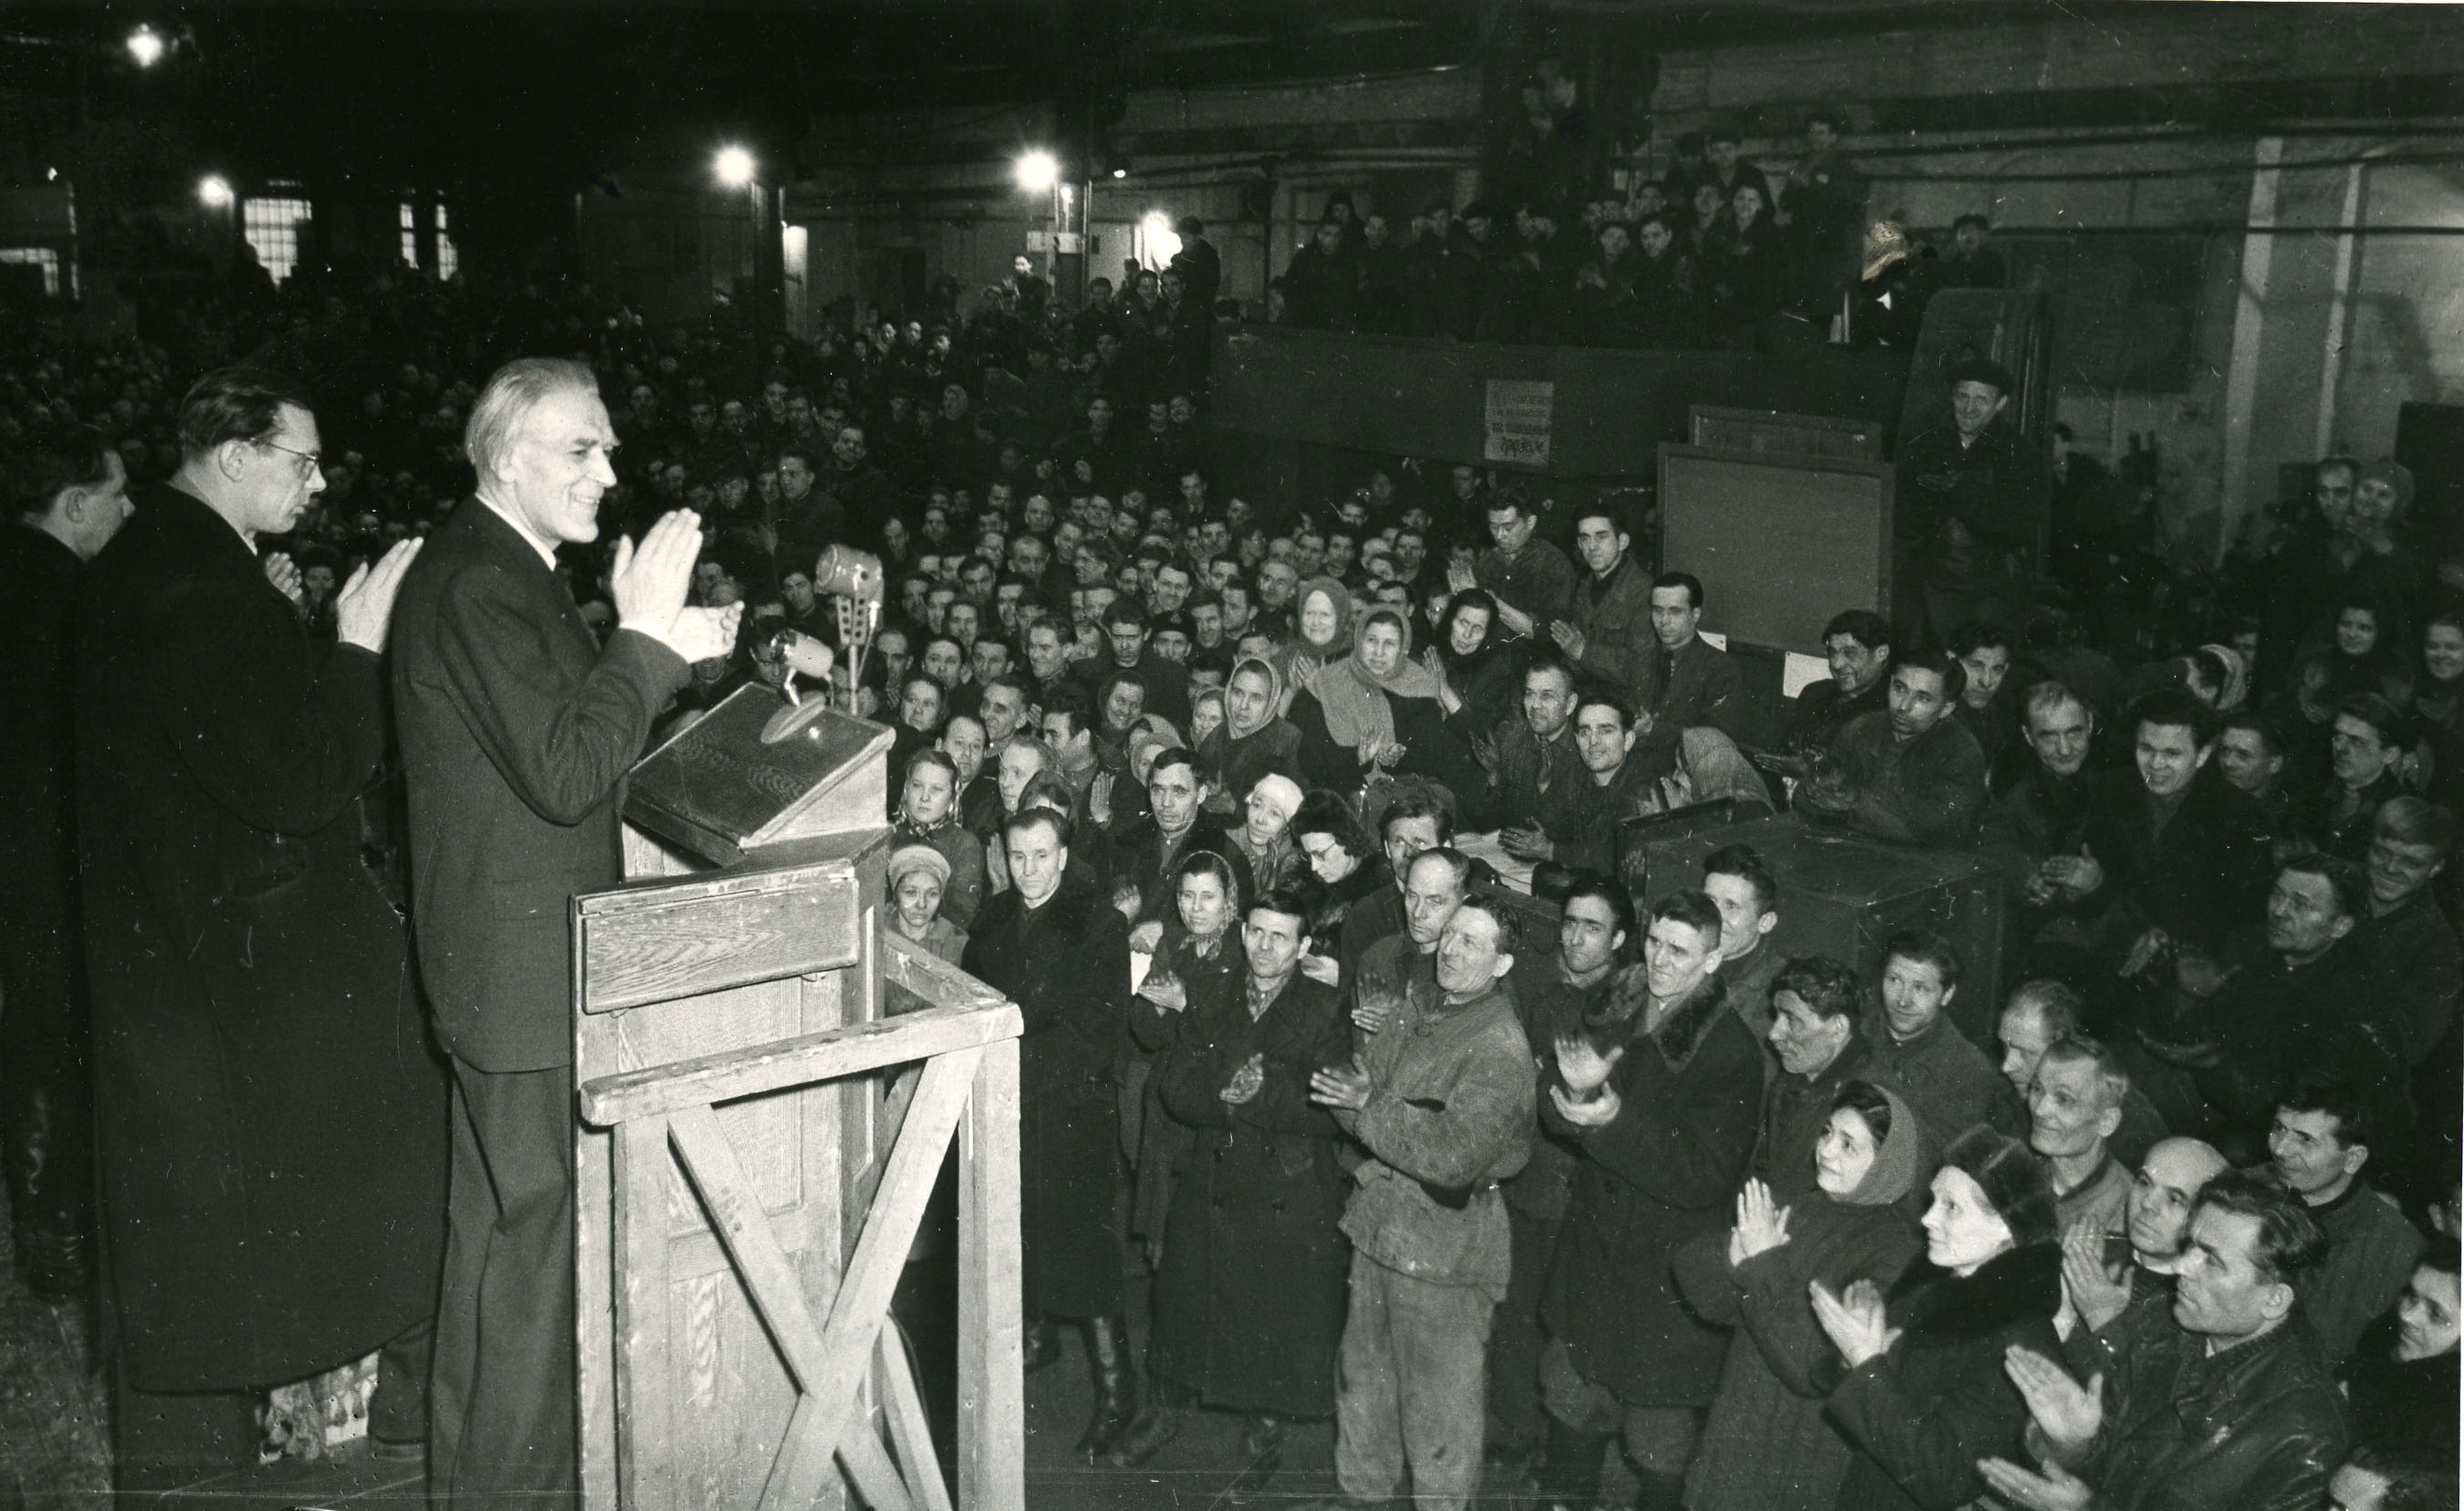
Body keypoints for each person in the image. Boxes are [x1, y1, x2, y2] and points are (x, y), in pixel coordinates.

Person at [78, 367, 448, 1485]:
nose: (321, 480)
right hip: (226, 970)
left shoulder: (159, 558)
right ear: (233, 455)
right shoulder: (195, 582)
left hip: (175, 954)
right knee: (327, 1207)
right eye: (302, 459)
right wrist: (356, 643)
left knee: (198, 1269)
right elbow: (297, 782)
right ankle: (387, 1428)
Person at [393, 359, 738, 1506]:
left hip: (512, 972)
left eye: (607, 447)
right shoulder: (482, 585)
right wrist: (641, 639)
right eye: (580, 450)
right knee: (531, 1276)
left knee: (502, 1256)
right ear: (506, 457)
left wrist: (662, 652)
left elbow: (563, 734)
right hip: (525, 981)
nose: (610, 470)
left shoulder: (504, 567)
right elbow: (565, 770)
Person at [1307, 897, 1535, 1511]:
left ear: (1504, 963)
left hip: (1445, 1250)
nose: (1453, 951)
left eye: (1473, 944)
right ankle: (1362, 1498)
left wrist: (1367, 1107)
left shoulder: (1499, 1047)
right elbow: (1357, 1085)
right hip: (1382, 1228)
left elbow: (1453, 1156)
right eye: (1451, 936)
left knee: (1439, 1416)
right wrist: (1359, 1102)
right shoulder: (1419, 1007)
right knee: (1364, 1388)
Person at [1540, 891, 1763, 1511]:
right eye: (1655, 943)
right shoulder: (1616, 1001)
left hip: (1662, 1278)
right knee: (1571, 1406)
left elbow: (1703, 1175)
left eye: (1680, 951)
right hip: (1594, 1257)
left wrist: (1610, 1120)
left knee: (1658, 1446)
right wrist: (1572, 1097)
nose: (1660, 961)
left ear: (1714, 961)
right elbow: (1550, 1093)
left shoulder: (1732, 1053)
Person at [1126, 883, 1351, 1495]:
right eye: (1256, 931)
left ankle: (1265, 1434)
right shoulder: (1212, 989)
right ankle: (1163, 1411)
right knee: (1182, 1305)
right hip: (1213, 1173)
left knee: (1271, 1325)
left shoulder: (1326, 1010)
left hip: (1288, 1186)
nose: (1264, 946)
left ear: (1304, 945)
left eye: (1281, 936)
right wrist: (1226, 1100)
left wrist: (1263, 1094)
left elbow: (1336, 1110)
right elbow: (1174, 1084)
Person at [1983, 1172, 2347, 1511]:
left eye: (2213, 1262)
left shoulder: (2307, 1435)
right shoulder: (2162, 1321)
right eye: (2191, 1246)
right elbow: (2108, 1467)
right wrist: (2071, 1445)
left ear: (2275, 1300)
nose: (2180, 1267)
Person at [0, 424, 131, 1297]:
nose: (129, 507)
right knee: (58, 1049)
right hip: (47, 862)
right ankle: (62, 1245)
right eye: (117, 493)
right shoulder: (71, 597)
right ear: (76, 505)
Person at [961, 808, 1136, 1457]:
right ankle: (1035, 1337)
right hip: (1009, 1107)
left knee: (1085, 1257)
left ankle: (1120, 1398)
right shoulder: (994, 918)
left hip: (1069, 1112)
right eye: (1017, 857)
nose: (1029, 870)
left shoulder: (1099, 924)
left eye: (1042, 856)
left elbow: (1093, 1034)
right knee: (1016, 1231)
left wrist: (1002, 1070)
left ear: (1064, 857)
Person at [1674, 1080, 1930, 1511]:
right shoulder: (1801, 1203)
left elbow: (1814, 1364)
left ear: (1886, 1164)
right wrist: (1733, 1263)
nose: (1826, 1150)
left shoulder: (1896, 1252)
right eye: (1828, 1132)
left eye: (1850, 1145)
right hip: (1739, 1423)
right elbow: (1702, 1288)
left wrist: (1762, 1265)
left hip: (1802, 1446)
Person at [1818, 1125, 2065, 1511]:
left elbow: (1946, 1478)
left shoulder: (2021, 1342)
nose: (1928, 1219)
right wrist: (1854, 1352)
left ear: (2004, 1225)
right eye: (1934, 1201)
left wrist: (1867, 1364)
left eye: (1951, 1207)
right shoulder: (1936, 1286)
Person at [1491, 879, 1633, 1465]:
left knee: (1570, 1330)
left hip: (1586, 1193)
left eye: (1592, 927)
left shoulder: (1628, 1009)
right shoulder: (1538, 989)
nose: (1575, 938)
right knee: (1517, 1310)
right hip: (1532, 1181)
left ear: (1620, 939)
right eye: (1569, 923)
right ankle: (1515, 1427)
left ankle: (1557, 1445)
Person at [2268, 1073, 2427, 1370]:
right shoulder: (2242, 1189)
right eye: (2278, 1128)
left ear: (2353, 1159)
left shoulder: (2398, 1251)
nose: (2280, 1149)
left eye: (2304, 1140)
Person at [1891, 356, 2047, 643]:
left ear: (2000, 403)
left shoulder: (2021, 456)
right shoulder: (1926, 445)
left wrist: (1963, 492)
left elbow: (2021, 526)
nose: (1969, 408)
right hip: (1926, 588)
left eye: (1981, 399)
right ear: (1952, 396)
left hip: (1988, 594)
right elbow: (1902, 519)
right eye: (1962, 396)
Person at [1795, 648, 1990, 849]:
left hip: (1930, 865)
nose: (1904, 706)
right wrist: (1818, 785)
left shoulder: (1961, 751)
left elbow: (1939, 830)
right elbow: (1804, 798)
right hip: (1855, 848)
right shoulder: (1862, 727)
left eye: (1922, 698)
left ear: (1946, 708)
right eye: (1899, 688)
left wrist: (1856, 803)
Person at [1290, 607, 1483, 803]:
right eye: (1371, 640)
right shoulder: (1327, 683)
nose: (1379, 652)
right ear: (1358, 641)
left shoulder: (1419, 685)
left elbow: (1435, 757)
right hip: (1339, 800)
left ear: (1403, 648)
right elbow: (1310, 760)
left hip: (1403, 801)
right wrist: (1357, 757)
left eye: (1389, 644)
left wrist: (1396, 758)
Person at [1864, 931, 2024, 1143]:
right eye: (1894, 980)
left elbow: (1929, 1158)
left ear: (1947, 995)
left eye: (1920, 988)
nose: (1903, 1000)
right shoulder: (1852, 1030)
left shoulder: (1968, 1070)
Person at [1995, 981, 2166, 1168]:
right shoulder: (2007, 1093)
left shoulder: (2129, 1123)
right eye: (2005, 1046)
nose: (2007, 1066)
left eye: (2025, 1053)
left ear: (2066, 1048)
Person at [1504, 691, 1665, 875]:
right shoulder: (1579, 774)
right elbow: (1546, 825)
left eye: (1605, 731)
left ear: (1628, 741)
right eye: (1585, 732)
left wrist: (1551, 851)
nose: (1593, 741)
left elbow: (1614, 859)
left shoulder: (1641, 785)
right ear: (1577, 740)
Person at [2335, 1236, 2459, 1461]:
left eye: (2436, 1314)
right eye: (2412, 1296)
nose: (2406, 1315)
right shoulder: (2375, 1355)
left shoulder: (2445, 1437)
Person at [2026, 1035, 2135, 1239]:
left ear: (2106, 1122)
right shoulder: (2018, 1174)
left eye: (2064, 1099)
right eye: (2037, 1089)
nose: (2040, 1109)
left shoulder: (2126, 1212)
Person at [1549, 508, 1654, 701]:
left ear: (1622, 542)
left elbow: (1641, 668)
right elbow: (1573, 654)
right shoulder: (1584, 587)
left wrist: (1582, 652)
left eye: (1601, 537)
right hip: (1587, 698)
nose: (1592, 547)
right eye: (1585, 539)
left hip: (1627, 706)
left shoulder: (1644, 591)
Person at [893, 747, 987, 929]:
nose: (925, 797)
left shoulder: (964, 845)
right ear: (906, 789)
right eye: (917, 786)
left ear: (952, 797)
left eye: (936, 789)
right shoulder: (889, 837)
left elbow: (961, 914)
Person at [1701, 843, 1786, 1044]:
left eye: (1731, 906)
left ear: (1765, 922)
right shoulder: (1680, 954)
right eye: (1710, 901)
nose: (1716, 916)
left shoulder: (1775, 992)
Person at [1197, 656, 1303, 814]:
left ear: (1271, 701)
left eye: (1256, 698)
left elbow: (1294, 809)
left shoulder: (1288, 740)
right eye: (1238, 693)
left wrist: (1236, 808)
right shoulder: (1217, 736)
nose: (1243, 705)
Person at [1470, 487, 1579, 638]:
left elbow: (1552, 632)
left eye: (1508, 527)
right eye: (1494, 527)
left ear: (1530, 522)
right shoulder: (1487, 562)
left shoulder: (1554, 563)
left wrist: (1496, 606)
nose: (1500, 536)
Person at [1783, 610, 1895, 755]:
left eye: (1849, 653)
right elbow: (1783, 750)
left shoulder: (1893, 711)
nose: (1836, 664)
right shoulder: (1814, 693)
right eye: (1832, 653)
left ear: (1881, 653)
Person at [885, 841, 968, 964]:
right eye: (911, 893)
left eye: (932, 894)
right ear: (895, 894)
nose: (922, 905)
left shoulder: (956, 942)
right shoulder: (878, 932)